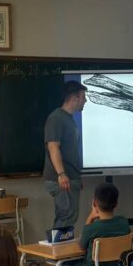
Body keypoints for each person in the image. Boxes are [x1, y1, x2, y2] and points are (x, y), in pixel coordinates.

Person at [43, 81, 87, 233]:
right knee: (65, 217)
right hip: (61, 179)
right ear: (74, 98)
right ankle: (57, 248)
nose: (85, 101)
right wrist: (61, 174)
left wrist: (76, 176)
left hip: (70, 177)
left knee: (69, 216)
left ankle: (62, 247)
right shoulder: (56, 118)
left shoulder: (69, 118)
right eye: (83, 97)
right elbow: (53, 147)